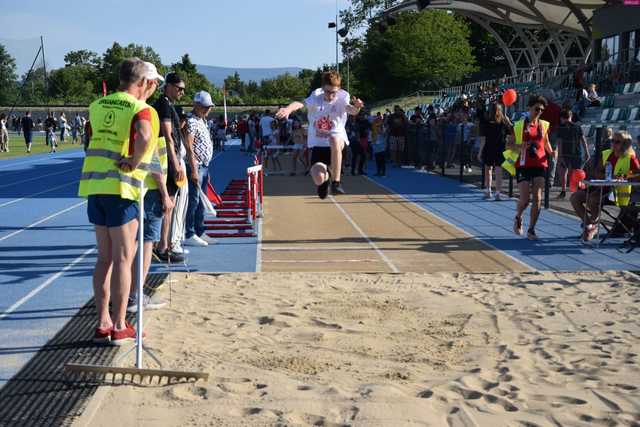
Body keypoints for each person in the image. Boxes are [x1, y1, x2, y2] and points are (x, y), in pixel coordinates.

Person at [78, 58, 164, 345]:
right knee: (124, 259)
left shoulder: (97, 105)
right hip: (122, 188)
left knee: (104, 258)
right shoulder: (141, 108)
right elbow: (144, 136)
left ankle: (102, 321)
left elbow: (90, 140)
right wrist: (135, 160)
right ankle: (118, 324)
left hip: (94, 185)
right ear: (142, 82)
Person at [276, 70, 364, 198]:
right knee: (318, 178)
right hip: (318, 145)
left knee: (334, 138)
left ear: (338, 89)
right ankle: (325, 181)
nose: (330, 95)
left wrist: (357, 107)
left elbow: (352, 110)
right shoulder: (316, 97)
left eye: (333, 92)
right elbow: (299, 103)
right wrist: (288, 108)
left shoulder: (343, 97)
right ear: (323, 88)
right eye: (327, 92)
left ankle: (336, 183)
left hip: (337, 145)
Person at [570, 131, 640, 241]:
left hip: (618, 193)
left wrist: (624, 176)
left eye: (617, 142)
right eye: (612, 141)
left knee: (593, 199)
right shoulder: (607, 154)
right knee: (574, 198)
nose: (613, 143)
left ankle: (592, 225)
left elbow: (638, 174)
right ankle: (590, 225)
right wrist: (609, 176)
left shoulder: (630, 158)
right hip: (602, 187)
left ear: (625, 143)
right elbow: (597, 172)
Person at [504, 95, 555, 240]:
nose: (539, 112)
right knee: (525, 199)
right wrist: (520, 146)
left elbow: (545, 141)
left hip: (540, 163)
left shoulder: (544, 125)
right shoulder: (519, 125)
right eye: (536, 109)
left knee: (538, 198)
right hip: (523, 164)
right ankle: (518, 217)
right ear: (529, 108)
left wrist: (552, 152)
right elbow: (508, 145)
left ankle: (531, 230)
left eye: (541, 110)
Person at [152, 72, 187, 261]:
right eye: (179, 88)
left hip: (166, 160)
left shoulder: (168, 104)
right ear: (169, 86)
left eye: (183, 89)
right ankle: (162, 246)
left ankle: (161, 244)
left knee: (168, 204)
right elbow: (167, 136)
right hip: (165, 161)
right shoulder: (164, 105)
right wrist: (175, 163)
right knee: (167, 203)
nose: (182, 92)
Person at [184, 91, 216, 247]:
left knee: (201, 201)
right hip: (196, 166)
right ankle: (189, 233)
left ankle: (199, 230)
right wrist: (194, 169)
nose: (207, 110)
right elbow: (188, 145)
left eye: (209, 107)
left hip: (204, 165)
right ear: (196, 105)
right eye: (204, 107)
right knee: (193, 201)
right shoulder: (191, 121)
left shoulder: (202, 120)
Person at [478, 102, 512, 200]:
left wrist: (480, 152)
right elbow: (511, 131)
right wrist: (508, 120)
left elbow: (483, 139)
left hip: (488, 148)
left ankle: (488, 191)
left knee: (488, 170)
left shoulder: (486, 122)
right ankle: (497, 193)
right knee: (498, 171)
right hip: (500, 148)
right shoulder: (503, 122)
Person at [556, 109, 589, 199]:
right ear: (571, 117)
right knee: (576, 174)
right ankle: (578, 192)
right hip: (576, 153)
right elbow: (583, 140)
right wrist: (586, 152)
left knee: (563, 173)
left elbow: (560, 143)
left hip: (565, 154)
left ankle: (563, 191)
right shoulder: (578, 127)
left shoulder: (561, 127)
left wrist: (560, 157)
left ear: (562, 118)